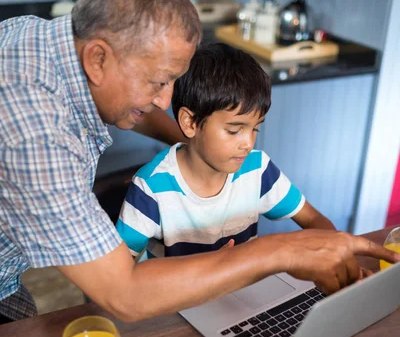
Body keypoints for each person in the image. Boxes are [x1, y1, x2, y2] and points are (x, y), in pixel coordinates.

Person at [0, 0, 398, 325]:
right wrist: (280, 251)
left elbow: (153, 101)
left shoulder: (45, 40)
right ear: (98, 60)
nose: (164, 100)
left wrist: (197, 146)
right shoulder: (35, 131)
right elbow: (120, 293)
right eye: (159, 82)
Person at [117, 43, 337, 266]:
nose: (248, 143)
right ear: (190, 122)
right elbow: (121, 275)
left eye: (255, 129)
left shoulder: (257, 170)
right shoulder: (151, 189)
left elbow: (313, 218)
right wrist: (211, 268)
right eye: (234, 131)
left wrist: (338, 255)